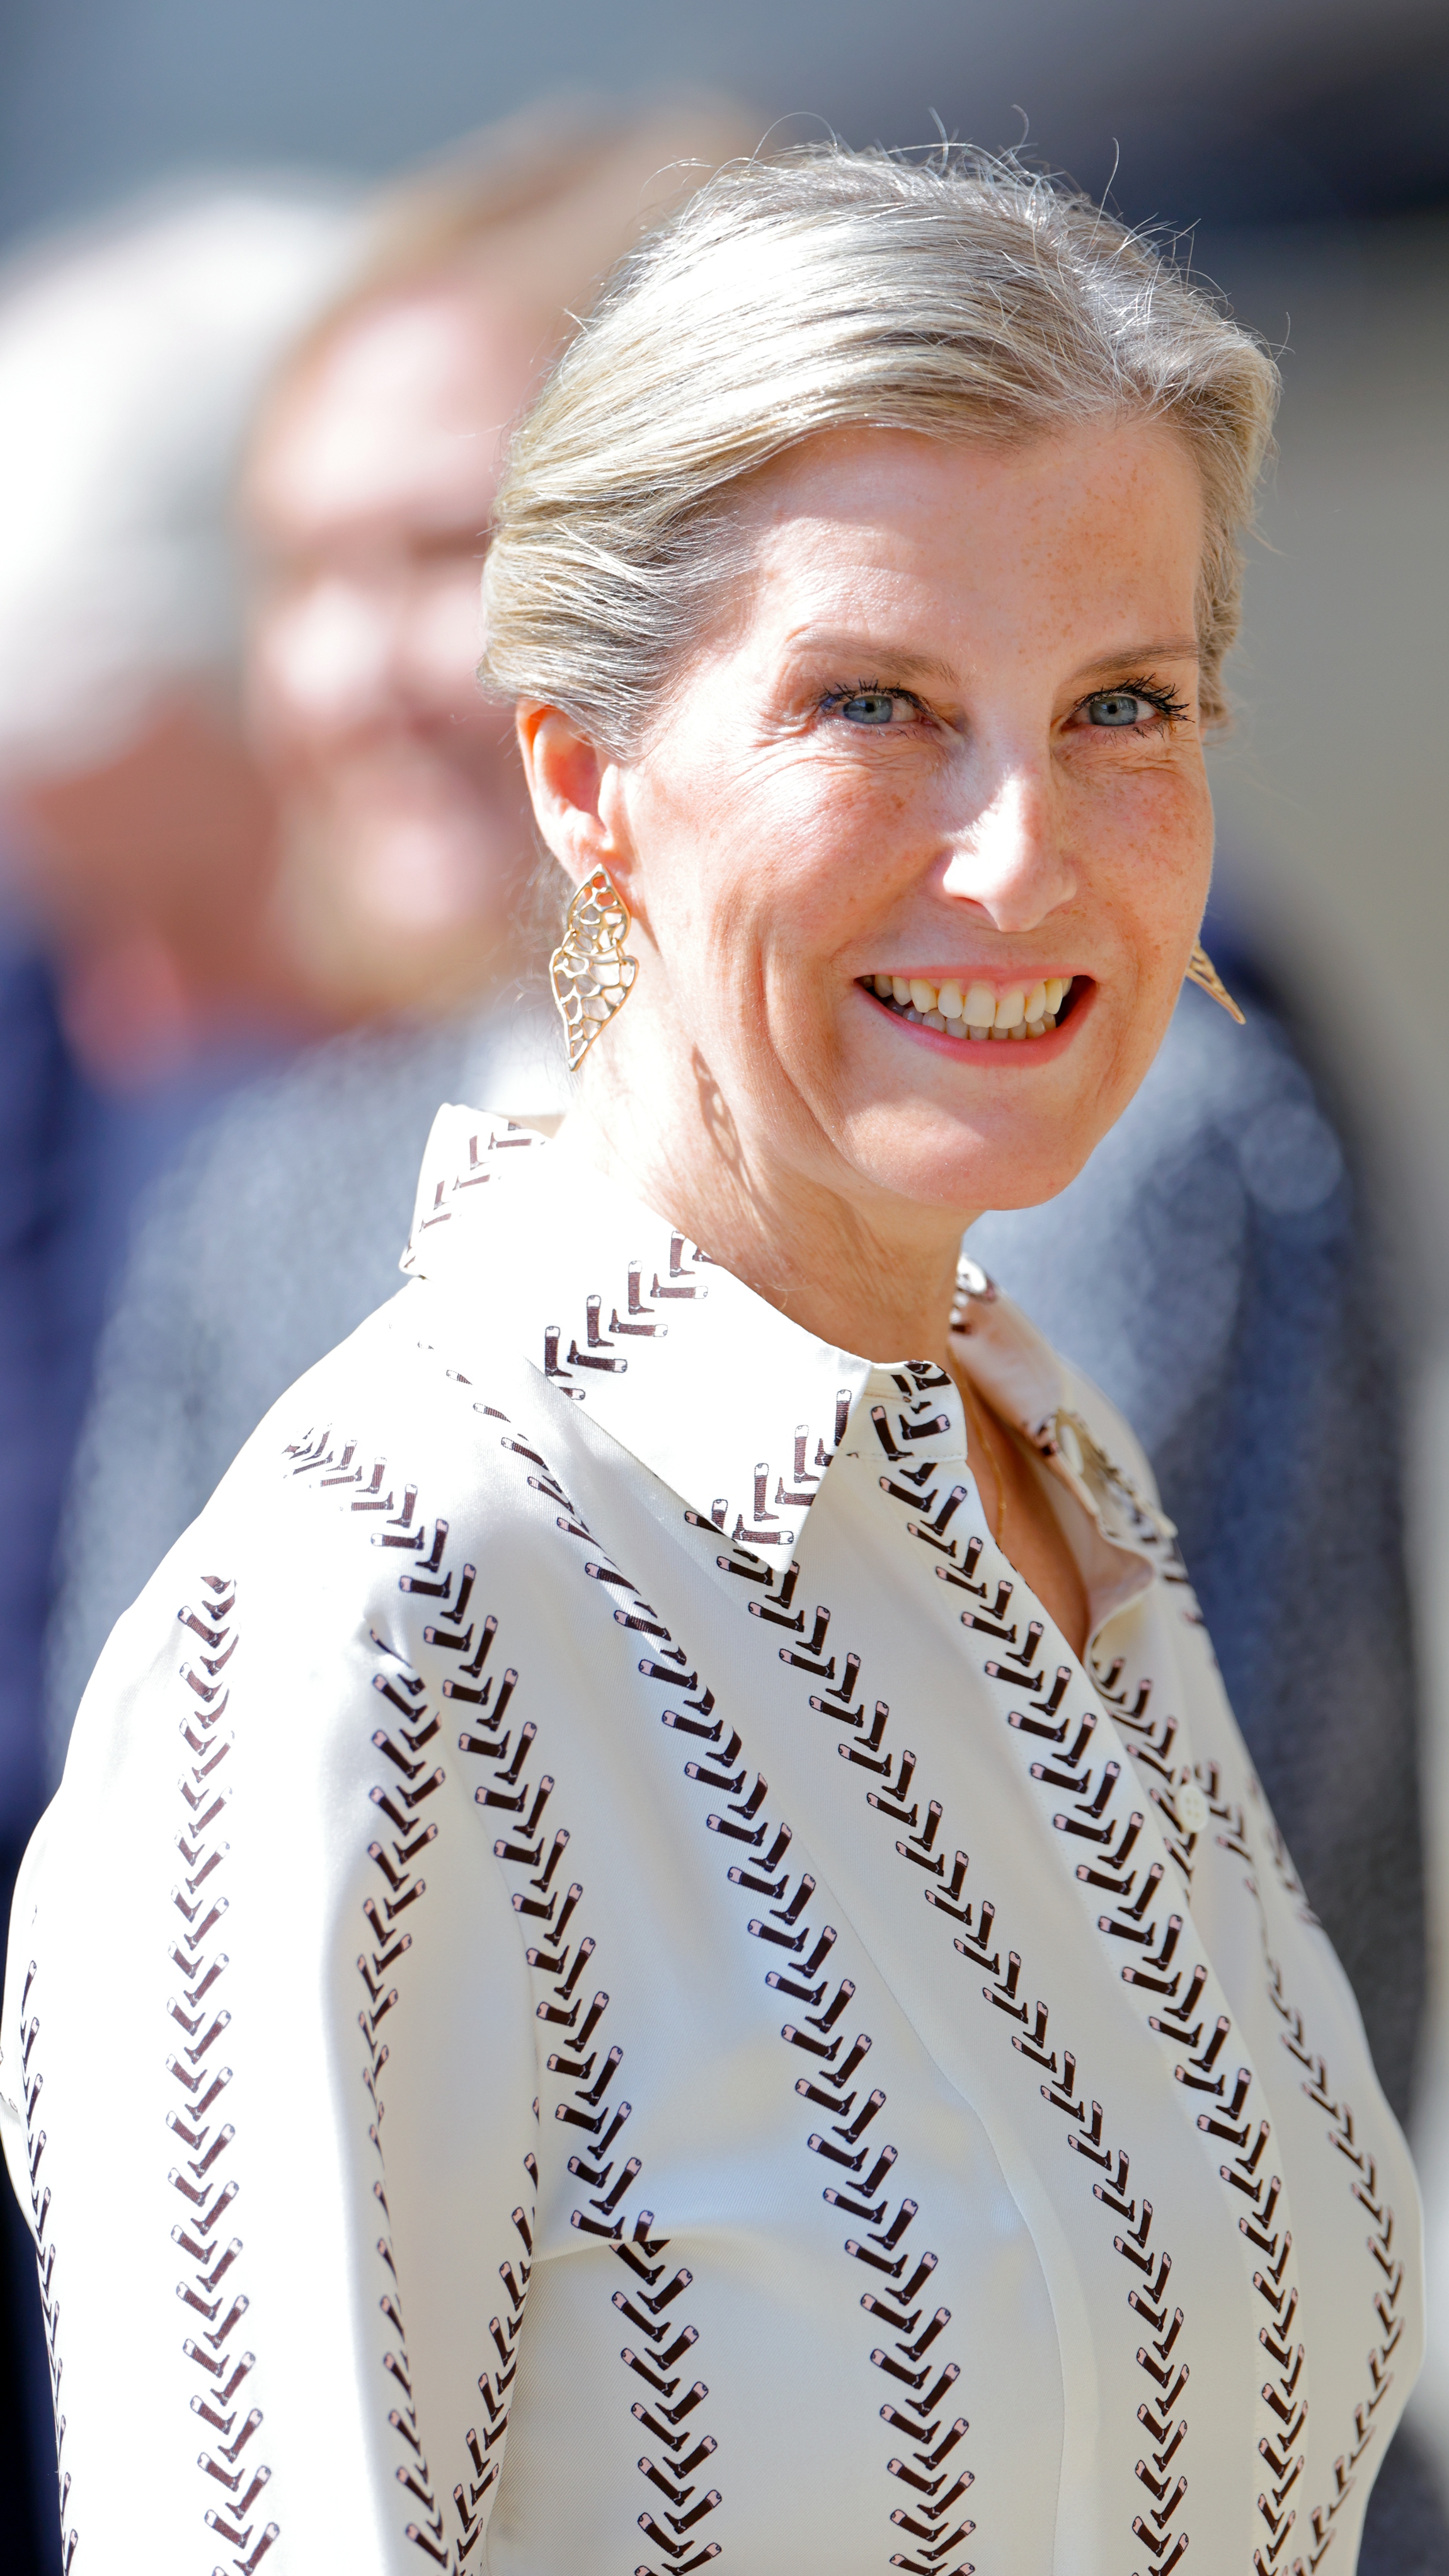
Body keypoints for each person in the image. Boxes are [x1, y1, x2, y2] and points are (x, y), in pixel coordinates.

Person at [5, 145, 1421, 2572]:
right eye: (871, 704)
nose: (1018, 854)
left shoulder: (1053, 1476)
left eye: (1121, 707)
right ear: (584, 780)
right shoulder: (372, 1618)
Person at [43, 98, 759, 1756]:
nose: (355, 677)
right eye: (297, 572)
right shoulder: (275, 1209)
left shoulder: (1063, 1142)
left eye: (448, 550)